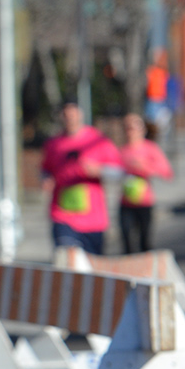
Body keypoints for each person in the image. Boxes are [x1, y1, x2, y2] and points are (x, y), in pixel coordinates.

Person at [40, 100, 121, 255]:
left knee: (91, 269)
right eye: (66, 115)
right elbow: (45, 169)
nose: (70, 119)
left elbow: (119, 172)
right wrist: (45, 179)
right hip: (62, 215)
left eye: (73, 115)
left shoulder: (97, 140)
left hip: (93, 220)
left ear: (81, 115)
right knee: (66, 259)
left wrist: (100, 171)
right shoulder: (54, 144)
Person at [118, 113, 173, 253]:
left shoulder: (150, 148)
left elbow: (167, 172)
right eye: (127, 127)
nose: (130, 131)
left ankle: (146, 272)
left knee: (145, 242)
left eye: (134, 127)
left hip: (144, 202)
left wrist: (145, 167)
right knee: (126, 241)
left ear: (142, 129)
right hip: (126, 202)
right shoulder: (122, 150)